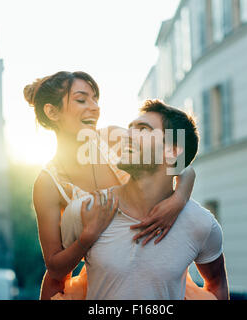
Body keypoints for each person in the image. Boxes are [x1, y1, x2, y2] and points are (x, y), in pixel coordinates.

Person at [24, 71, 211, 299]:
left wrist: (178, 201)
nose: (94, 107)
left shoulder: (112, 138)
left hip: (157, 272)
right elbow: (55, 268)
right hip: (107, 280)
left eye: (95, 99)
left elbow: (177, 159)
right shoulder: (48, 183)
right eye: (82, 100)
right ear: (52, 112)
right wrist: (88, 236)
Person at [62, 99, 229, 299]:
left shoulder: (201, 224)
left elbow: (217, 284)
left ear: (173, 151)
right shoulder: (84, 210)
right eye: (129, 128)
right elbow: (57, 280)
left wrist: (180, 198)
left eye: (143, 129)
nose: (126, 136)